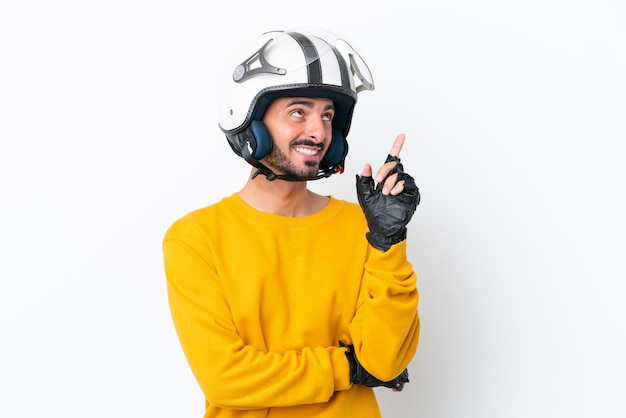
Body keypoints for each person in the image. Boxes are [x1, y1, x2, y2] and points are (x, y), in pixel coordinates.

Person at [162, 27, 421, 418]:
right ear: (250, 119)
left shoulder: (361, 227)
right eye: (298, 112)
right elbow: (225, 378)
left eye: (327, 116)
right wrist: (347, 366)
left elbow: (384, 362)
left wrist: (388, 241)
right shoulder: (196, 239)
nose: (318, 131)